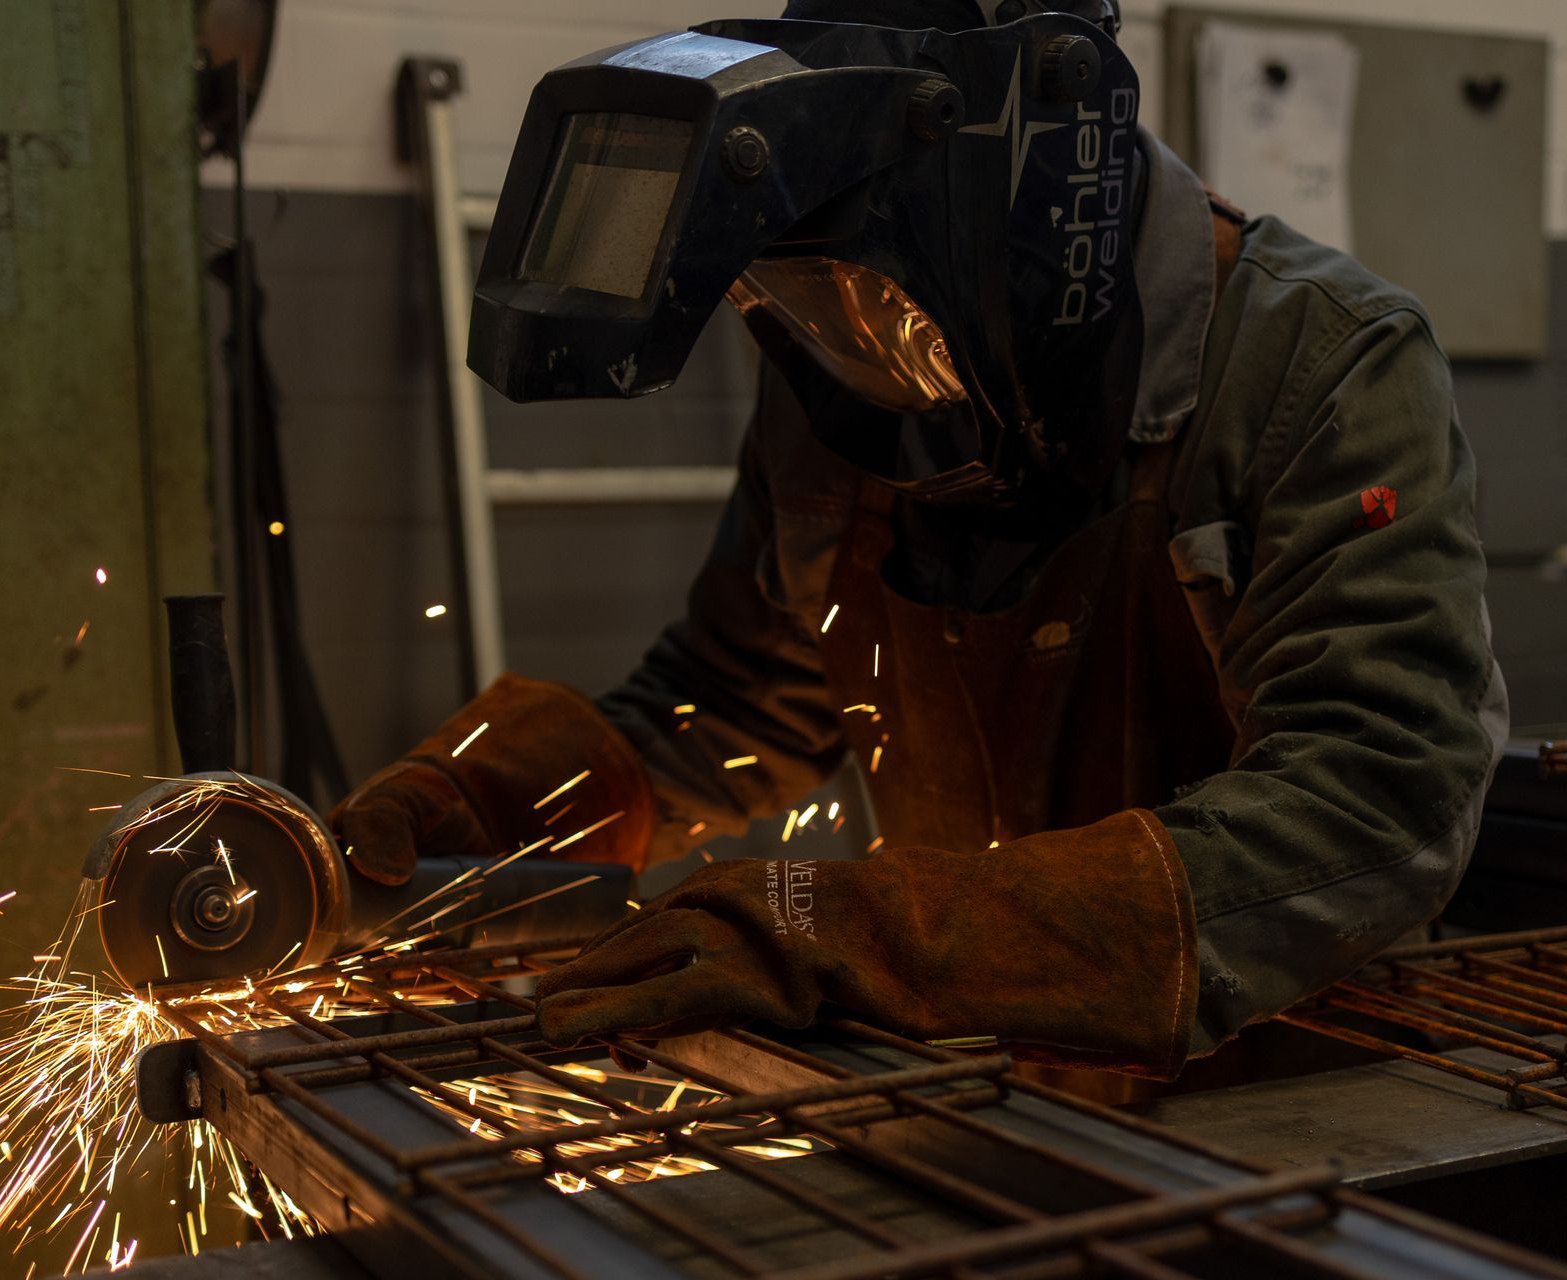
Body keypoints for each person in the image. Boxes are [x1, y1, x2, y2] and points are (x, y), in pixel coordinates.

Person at [330, 0, 1506, 1085]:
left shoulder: (1321, 364)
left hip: (1295, 1099)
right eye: (796, 304)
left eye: (860, 299)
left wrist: (879, 930)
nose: (839, 347)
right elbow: (740, 696)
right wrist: (505, 806)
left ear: (1039, 229)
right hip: (990, 1081)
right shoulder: (840, 385)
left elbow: (1379, 796)